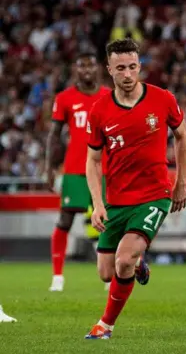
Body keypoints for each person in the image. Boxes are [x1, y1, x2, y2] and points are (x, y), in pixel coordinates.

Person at [84, 38, 186, 339]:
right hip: (116, 201)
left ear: (139, 66)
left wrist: (180, 183)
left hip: (153, 196)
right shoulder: (100, 110)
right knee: (107, 272)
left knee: (124, 259)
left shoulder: (163, 99)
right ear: (109, 70)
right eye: (121, 68)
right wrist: (98, 203)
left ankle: (105, 326)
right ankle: (140, 265)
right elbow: (92, 161)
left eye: (132, 67)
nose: (128, 74)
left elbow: (182, 137)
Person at [45, 53, 111, 292]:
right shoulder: (65, 98)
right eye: (81, 65)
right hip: (74, 169)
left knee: (110, 221)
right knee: (65, 220)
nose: (86, 70)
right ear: (76, 69)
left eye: (90, 65)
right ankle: (58, 277)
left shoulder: (108, 96)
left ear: (98, 69)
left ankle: (110, 274)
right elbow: (54, 136)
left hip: (105, 169)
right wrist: (49, 168)